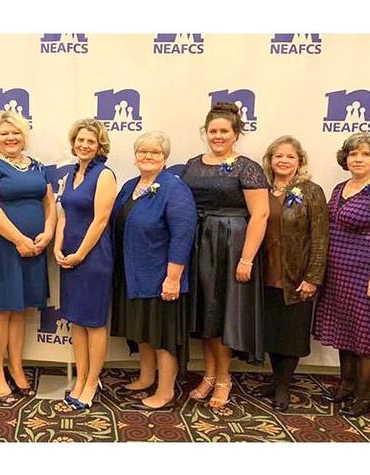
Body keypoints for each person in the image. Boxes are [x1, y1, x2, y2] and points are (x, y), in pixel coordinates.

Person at [180, 102, 269, 408]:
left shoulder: (248, 167)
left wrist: (247, 259)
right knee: (204, 313)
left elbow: (260, 215)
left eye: (224, 131)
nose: (218, 136)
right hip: (198, 244)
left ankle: (224, 378)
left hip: (231, 246)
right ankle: (207, 374)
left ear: (236, 134)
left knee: (223, 313)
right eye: (213, 131)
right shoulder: (192, 164)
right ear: (206, 133)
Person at [0, 110, 56, 403]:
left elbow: (49, 203)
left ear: (24, 135)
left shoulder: (37, 165)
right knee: (1, 310)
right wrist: (19, 239)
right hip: (0, 247)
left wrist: (48, 232)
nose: (10, 138)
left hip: (33, 247)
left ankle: (17, 369)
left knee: (20, 309)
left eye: (15, 132)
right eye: (4, 133)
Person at [313, 133, 370, 417]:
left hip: (368, 273)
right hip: (339, 273)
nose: (358, 159)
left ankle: (364, 395)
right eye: (353, 154)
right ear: (346, 159)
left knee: (367, 336)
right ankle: (346, 386)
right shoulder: (340, 188)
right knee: (346, 331)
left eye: (364, 154)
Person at [110, 131, 197, 410]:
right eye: (143, 152)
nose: (148, 156)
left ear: (165, 158)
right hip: (133, 274)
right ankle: (146, 377)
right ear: (135, 157)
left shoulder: (174, 188)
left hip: (161, 276)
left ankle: (166, 391)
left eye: (155, 152)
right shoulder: (129, 186)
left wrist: (173, 278)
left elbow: (183, 235)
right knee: (143, 331)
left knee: (163, 335)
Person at [254, 136, 329, 411]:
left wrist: (313, 278)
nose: (283, 161)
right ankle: (276, 380)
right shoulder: (260, 189)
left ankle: (284, 387)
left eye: (290, 157)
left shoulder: (311, 191)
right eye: (278, 156)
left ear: (300, 162)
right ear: (270, 160)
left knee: (292, 334)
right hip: (265, 273)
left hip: (297, 276)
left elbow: (321, 238)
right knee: (273, 332)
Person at [54, 119, 116, 409]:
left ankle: (92, 381)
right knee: (76, 321)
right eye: (80, 140)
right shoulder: (69, 173)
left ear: (99, 145)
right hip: (69, 257)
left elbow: (101, 220)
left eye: (90, 141)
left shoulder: (105, 175)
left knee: (93, 323)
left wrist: (80, 253)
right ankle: (79, 378)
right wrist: (57, 246)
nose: (84, 145)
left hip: (93, 257)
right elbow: (63, 215)